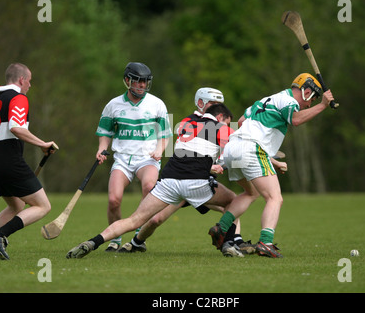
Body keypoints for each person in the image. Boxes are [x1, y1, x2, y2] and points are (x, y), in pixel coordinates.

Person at [66, 103, 239, 259]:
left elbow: (190, 153)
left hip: (168, 181)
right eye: (227, 121)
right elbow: (236, 150)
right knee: (234, 200)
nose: (226, 125)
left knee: (134, 220)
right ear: (220, 118)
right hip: (195, 183)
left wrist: (210, 165)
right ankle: (227, 243)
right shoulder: (222, 128)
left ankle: (92, 242)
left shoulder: (186, 123)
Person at [208, 73, 335, 258]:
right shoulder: (289, 101)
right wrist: (323, 105)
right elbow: (297, 120)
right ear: (306, 92)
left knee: (252, 193)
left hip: (232, 147)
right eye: (312, 100)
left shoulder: (267, 99)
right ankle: (266, 243)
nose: (309, 104)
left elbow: (242, 121)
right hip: (251, 149)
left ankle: (222, 228)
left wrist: (271, 160)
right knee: (275, 198)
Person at [118, 88, 255, 256]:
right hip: (181, 180)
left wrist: (219, 163)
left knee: (232, 205)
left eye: (219, 105)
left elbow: (222, 151)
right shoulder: (188, 122)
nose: (217, 108)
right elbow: (187, 154)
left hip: (201, 184)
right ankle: (136, 242)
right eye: (213, 103)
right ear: (200, 103)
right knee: (156, 219)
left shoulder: (219, 125)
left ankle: (235, 241)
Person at [0, 63, 58, 260]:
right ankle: (0, 235)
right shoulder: (19, 98)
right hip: (10, 162)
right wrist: (43, 144)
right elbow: (17, 128)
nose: (30, 85)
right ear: (21, 80)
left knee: (16, 207)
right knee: (43, 206)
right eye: (29, 81)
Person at [95, 62, 172, 252]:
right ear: (127, 81)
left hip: (147, 158)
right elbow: (105, 132)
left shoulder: (157, 104)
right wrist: (102, 148)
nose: (142, 86)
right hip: (122, 159)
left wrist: (159, 150)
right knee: (114, 200)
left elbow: (166, 135)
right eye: (138, 82)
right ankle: (115, 238)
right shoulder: (113, 105)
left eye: (145, 82)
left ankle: (139, 235)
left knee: (148, 187)